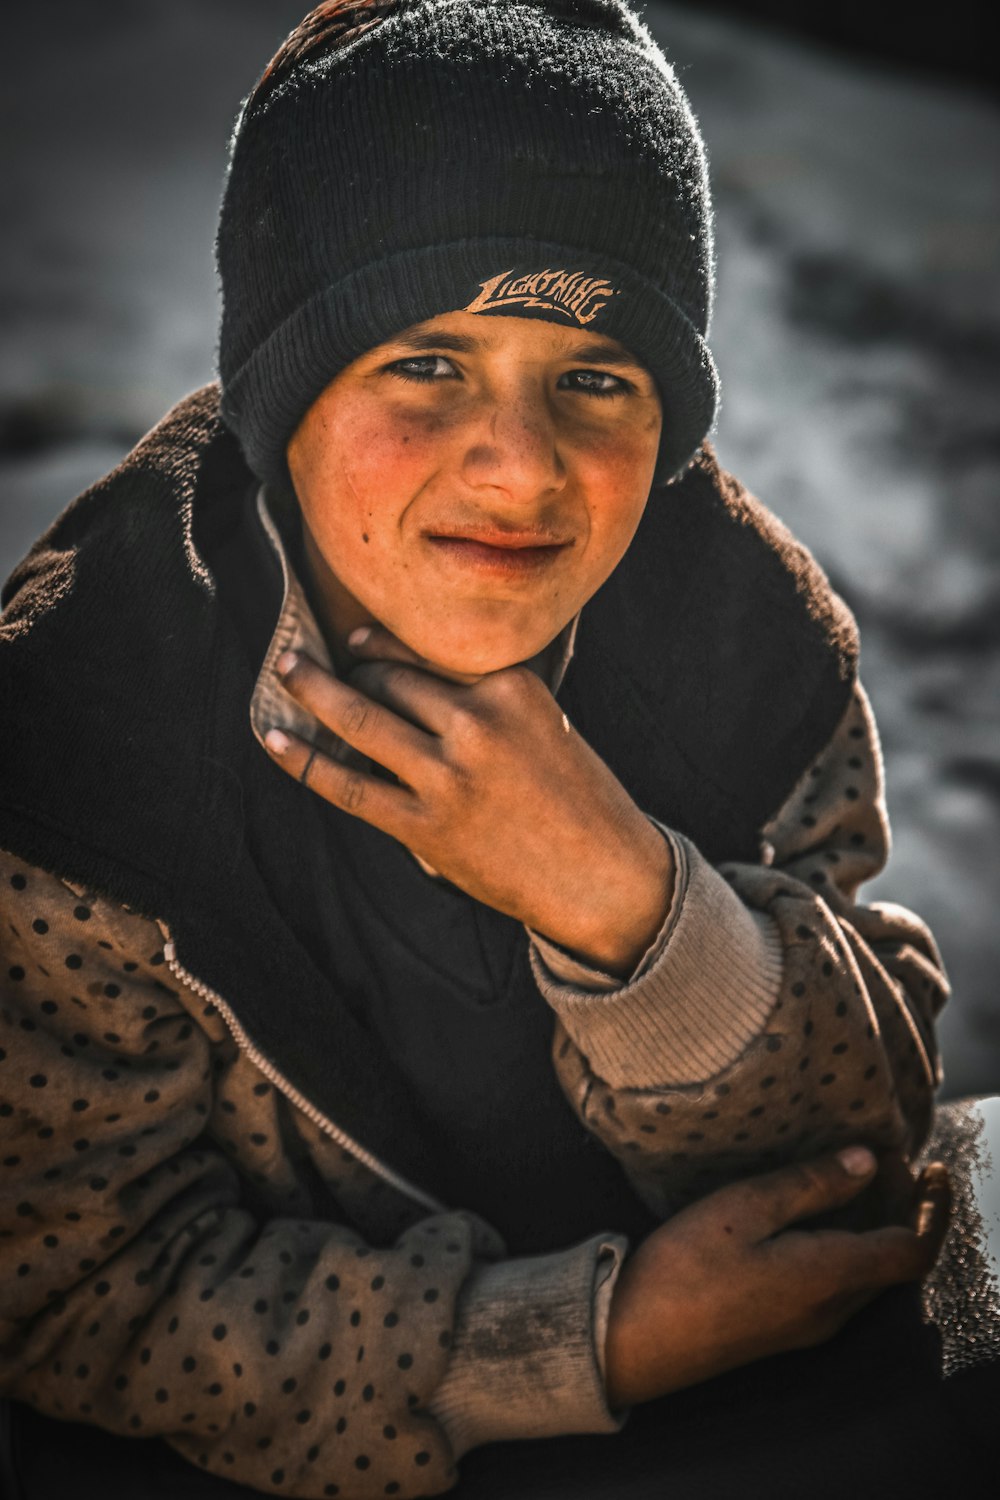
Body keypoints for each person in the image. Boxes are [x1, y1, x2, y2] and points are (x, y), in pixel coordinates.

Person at [1, 1, 987, 1495]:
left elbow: (864, 1131)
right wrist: (585, 1342)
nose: (520, 467)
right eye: (424, 362)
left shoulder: (747, 648)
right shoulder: (87, 742)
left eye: (596, 376)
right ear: (282, 391)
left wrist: (634, 908)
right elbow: (72, 1288)